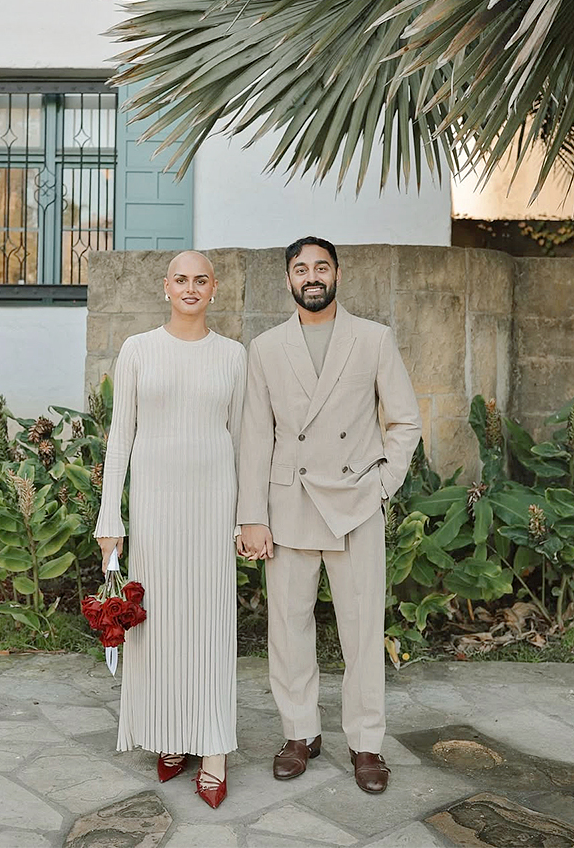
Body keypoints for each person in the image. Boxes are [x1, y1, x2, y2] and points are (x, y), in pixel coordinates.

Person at [236, 237, 421, 794]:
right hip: (287, 504)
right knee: (288, 630)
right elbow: (254, 437)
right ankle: (300, 733)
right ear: (289, 280)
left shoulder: (373, 339)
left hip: (355, 505)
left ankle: (366, 744)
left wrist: (381, 486)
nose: (311, 276)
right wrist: (252, 516)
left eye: (320, 266)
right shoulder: (265, 347)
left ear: (337, 274)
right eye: (300, 268)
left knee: (362, 631)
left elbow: (404, 422)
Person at [95, 251, 246, 809]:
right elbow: (119, 438)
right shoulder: (138, 350)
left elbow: (243, 440)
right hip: (155, 510)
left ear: (213, 290)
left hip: (212, 509)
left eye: (200, 279)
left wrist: (244, 518)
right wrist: (110, 519)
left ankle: (212, 751)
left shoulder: (233, 356)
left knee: (208, 623)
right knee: (158, 627)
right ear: (165, 288)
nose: (190, 287)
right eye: (180, 279)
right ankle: (171, 735)